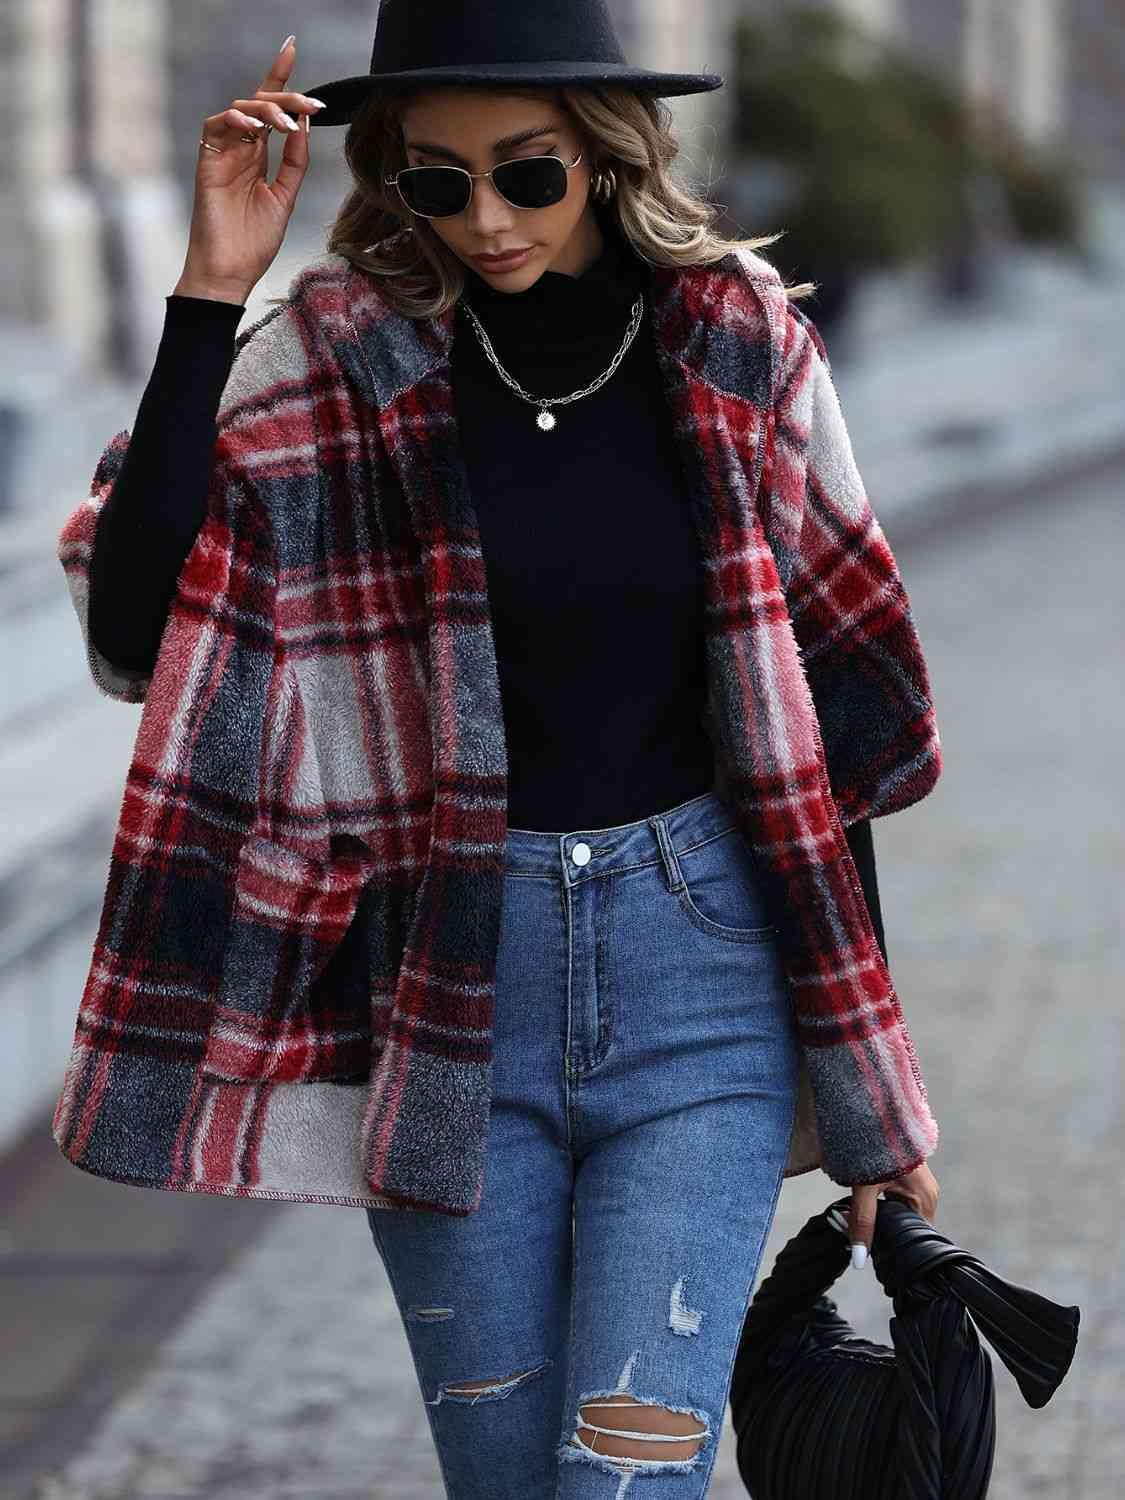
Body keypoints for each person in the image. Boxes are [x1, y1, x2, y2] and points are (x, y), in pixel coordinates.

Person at [62, 6, 940, 1494]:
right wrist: (212, 291)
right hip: (450, 994)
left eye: (526, 175)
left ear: (605, 159)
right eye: (434, 179)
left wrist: (875, 1096)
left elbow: (832, 740)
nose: (483, 219)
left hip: (702, 990)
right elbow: (138, 626)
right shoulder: (337, 361)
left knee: (626, 1477)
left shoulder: (735, 341)